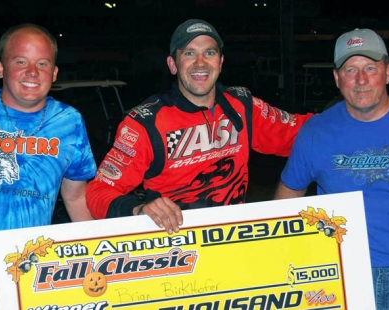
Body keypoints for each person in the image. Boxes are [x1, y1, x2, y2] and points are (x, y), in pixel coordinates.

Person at [86, 19, 313, 234]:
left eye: (210, 53)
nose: (200, 62)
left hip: (234, 235)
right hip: (177, 244)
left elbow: (303, 131)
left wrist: (345, 115)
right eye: (189, 53)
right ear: (173, 64)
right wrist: (138, 209)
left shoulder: (242, 105)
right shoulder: (144, 123)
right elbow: (99, 191)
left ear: (221, 62)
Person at [274, 28, 389, 309]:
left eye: (370, 68)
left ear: (387, 72)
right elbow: (286, 198)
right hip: (342, 275)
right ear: (337, 78)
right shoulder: (315, 132)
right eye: (350, 70)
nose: (361, 80)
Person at [0, 23, 97, 308]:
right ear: (0, 68)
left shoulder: (69, 122)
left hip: (26, 281)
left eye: (42, 63)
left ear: (54, 74)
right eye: (20, 61)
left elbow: (75, 196)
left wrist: (102, 253)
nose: (32, 73)